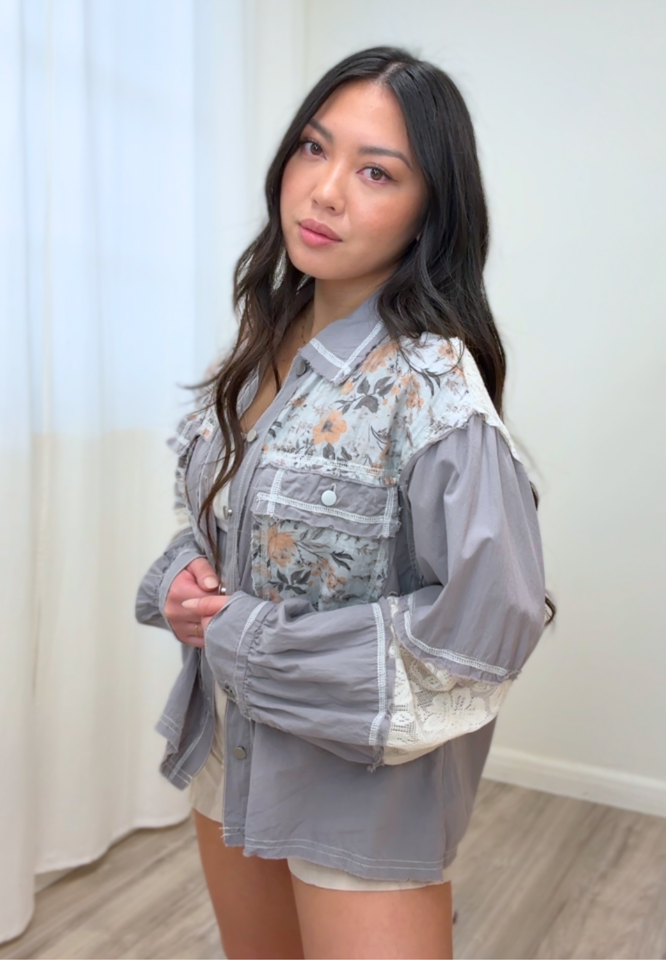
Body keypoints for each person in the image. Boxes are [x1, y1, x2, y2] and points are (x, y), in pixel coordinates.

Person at [135, 45, 555, 960]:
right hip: (233, 747)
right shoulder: (262, 342)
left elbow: (484, 631)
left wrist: (250, 640)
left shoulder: (430, 383)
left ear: (430, 211)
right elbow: (225, 522)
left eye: (376, 172)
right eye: (314, 149)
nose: (324, 192)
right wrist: (185, 584)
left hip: (357, 785)